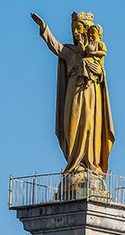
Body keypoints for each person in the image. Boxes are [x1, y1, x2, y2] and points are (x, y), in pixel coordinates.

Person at [30, 11, 115, 175]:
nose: (77, 33)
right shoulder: (69, 52)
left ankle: (90, 163)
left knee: (91, 126)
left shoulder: (95, 57)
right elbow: (55, 46)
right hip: (73, 93)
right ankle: (74, 163)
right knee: (73, 125)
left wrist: (100, 73)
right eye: (74, 29)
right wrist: (44, 28)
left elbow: (102, 78)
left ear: (88, 31)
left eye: (79, 29)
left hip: (91, 94)